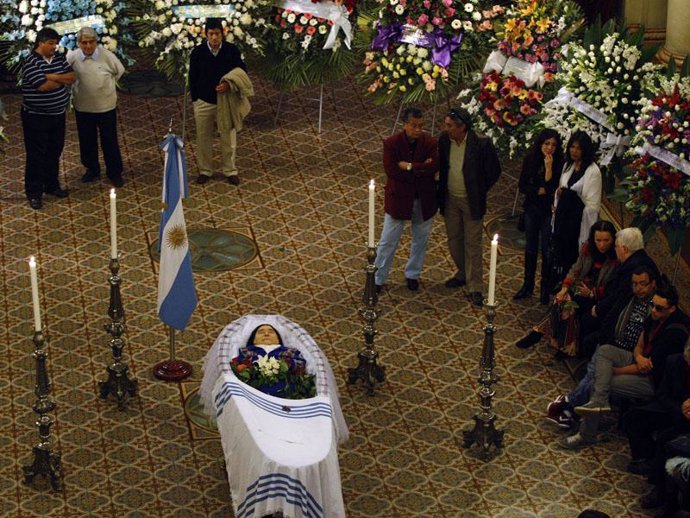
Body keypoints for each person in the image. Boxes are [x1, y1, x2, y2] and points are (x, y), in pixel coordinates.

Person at [546, 264, 658, 429]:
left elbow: (645, 343)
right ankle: (571, 410)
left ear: (653, 284)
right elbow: (612, 317)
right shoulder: (629, 296)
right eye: (635, 284)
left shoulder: (655, 307)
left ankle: (569, 405)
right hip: (614, 344)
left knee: (597, 376)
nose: (638, 288)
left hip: (630, 354)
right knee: (595, 367)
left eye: (643, 284)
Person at [515, 220, 618, 354]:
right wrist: (565, 287)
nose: (602, 245)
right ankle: (564, 346)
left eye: (606, 240)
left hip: (597, 296)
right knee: (564, 298)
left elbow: (612, 287)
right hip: (580, 288)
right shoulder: (588, 248)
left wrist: (591, 293)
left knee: (568, 303)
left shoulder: (616, 258)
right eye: (598, 240)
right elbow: (576, 269)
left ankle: (540, 332)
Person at [438, 107, 501, 307]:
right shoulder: (444, 140)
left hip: (471, 201)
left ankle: (475, 286)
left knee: (473, 244)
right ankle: (463, 273)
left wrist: (479, 189)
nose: (445, 128)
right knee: (454, 239)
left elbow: (494, 171)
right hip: (450, 198)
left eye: (449, 125)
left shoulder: (481, 144)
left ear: (462, 127)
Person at [374, 107, 438, 293]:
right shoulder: (391, 143)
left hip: (424, 199)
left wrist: (409, 166)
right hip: (399, 199)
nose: (418, 130)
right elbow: (391, 171)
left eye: (421, 126)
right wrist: (421, 169)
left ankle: (413, 274)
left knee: (421, 240)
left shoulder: (430, 142)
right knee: (388, 240)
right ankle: (378, 278)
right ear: (404, 125)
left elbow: (434, 167)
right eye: (414, 126)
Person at [623, 342, 690, 511]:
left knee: (666, 439)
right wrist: (680, 408)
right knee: (634, 417)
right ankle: (646, 458)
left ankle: (659, 489)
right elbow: (662, 394)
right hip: (673, 408)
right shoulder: (674, 361)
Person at [21, 27, 75, 210]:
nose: (54, 47)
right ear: (40, 43)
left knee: (54, 151)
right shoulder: (30, 62)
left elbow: (72, 77)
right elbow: (43, 86)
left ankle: (51, 185)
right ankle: (34, 193)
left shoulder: (59, 58)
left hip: (57, 115)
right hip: (36, 118)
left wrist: (52, 75)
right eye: (51, 43)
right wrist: (58, 80)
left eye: (56, 43)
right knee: (36, 155)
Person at [189, 18, 246, 186]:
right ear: (205, 34)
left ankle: (230, 170)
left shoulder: (231, 50)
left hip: (225, 101)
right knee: (203, 137)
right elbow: (192, 76)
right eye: (211, 34)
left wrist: (229, 85)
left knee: (228, 137)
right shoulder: (198, 52)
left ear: (223, 34)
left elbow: (241, 70)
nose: (214, 38)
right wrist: (196, 99)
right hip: (204, 102)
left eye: (217, 34)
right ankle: (205, 170)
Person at [67, 27, 126, 188]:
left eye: (91, 42)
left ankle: (114, 172)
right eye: (84, 43)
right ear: (78, 43)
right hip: (83, 107)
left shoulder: (107, 56)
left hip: (106, 107)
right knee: (87, 141)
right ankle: (92, 169)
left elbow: (119, 71)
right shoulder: (72, 57)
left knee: (110, 141)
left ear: (96, 42)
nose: (88, 46)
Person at [513, 129, 564, 304]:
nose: (549, 148)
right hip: (532, 209)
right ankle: (527, 285)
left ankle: (545, 288)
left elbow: (552, 189)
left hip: (548, 212)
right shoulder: (531, 159)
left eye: (553, 145)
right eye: (546, 144)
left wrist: (549, 169)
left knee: (547, 251)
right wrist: (538, 190)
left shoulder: (559, 164)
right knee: (530, 249)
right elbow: (523, 185)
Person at [549, 131, 602, 286]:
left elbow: (592, 206)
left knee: (572, 263)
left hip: (577, 224)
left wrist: (570, 196)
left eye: (578, 148)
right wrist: (559, 195)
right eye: (572, 147)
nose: (574, 151)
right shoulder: (568, 165)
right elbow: (560, 189)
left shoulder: (593, 171)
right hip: (563, 222)